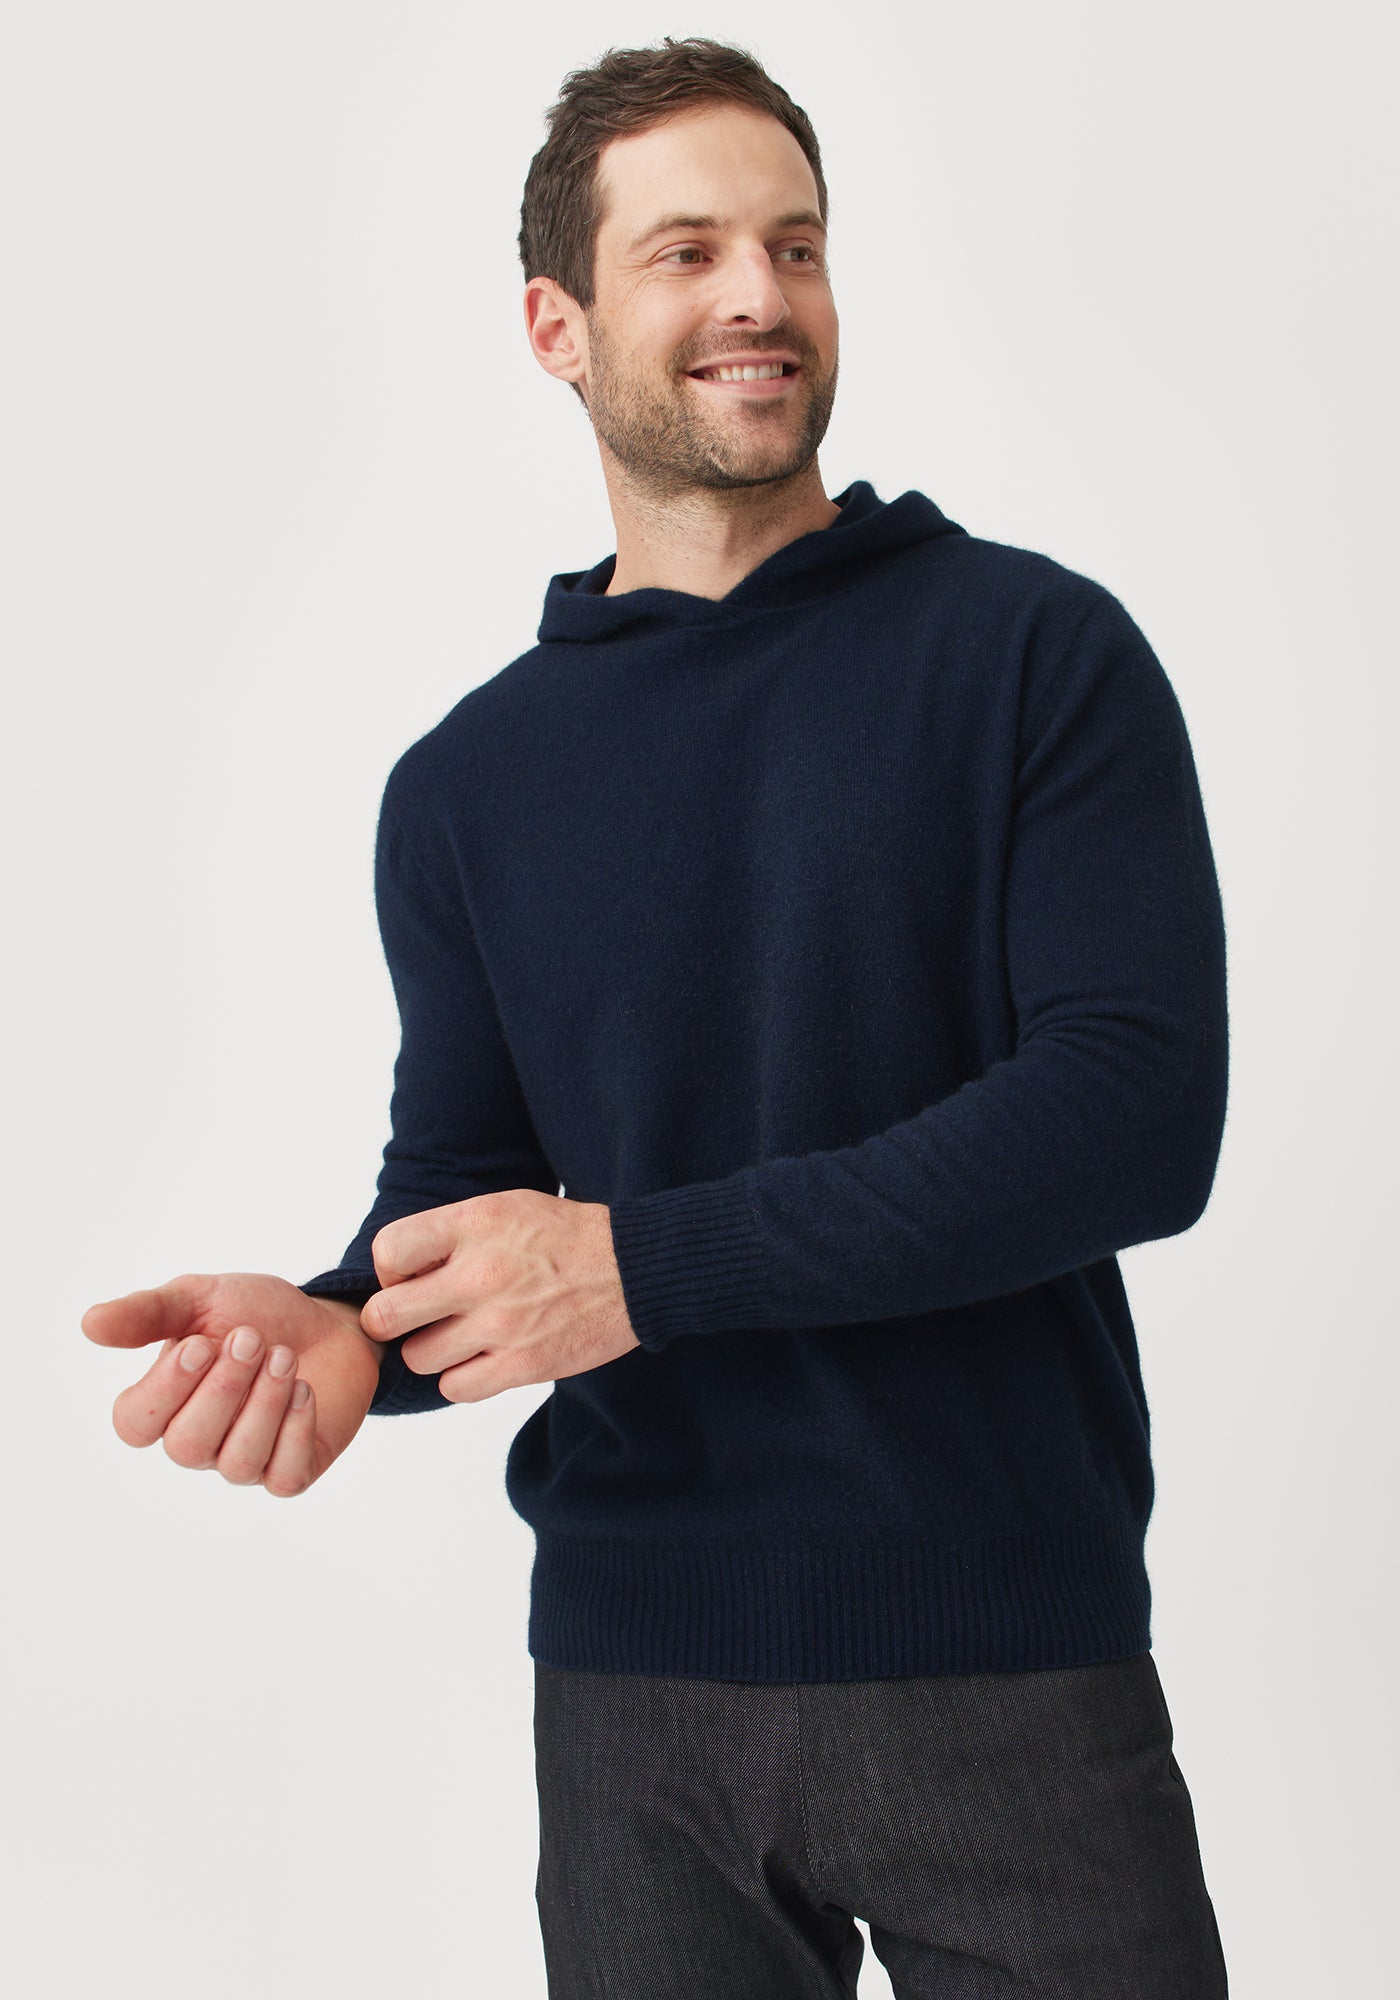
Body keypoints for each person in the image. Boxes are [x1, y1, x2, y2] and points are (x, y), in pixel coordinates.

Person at [82, 34, 1232, 1999]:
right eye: (687, 251)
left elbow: (1132, 1118)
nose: (757, 296)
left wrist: (639, 1266)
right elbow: (468, 1186)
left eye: (795, 245)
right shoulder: (467, 783)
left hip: (1008, 1662)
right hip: (632, 1701)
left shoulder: (1035, 653)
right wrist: (352, 1327)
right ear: (560, 324)